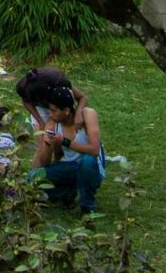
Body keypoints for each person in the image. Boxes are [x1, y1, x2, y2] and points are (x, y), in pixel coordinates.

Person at [16, 68, 106, 213]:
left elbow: (94, 150)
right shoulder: (53, 123)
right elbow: (46, 163)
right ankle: (67, 192)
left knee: (87, 161)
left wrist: (64, 141)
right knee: (34, 177)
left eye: (53, 111)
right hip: (69, 167)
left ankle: (87, 207)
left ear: (66, 111)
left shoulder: (88, 114)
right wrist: (47, 143)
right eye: (49, 110)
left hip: (90, 167)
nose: (49, 115)